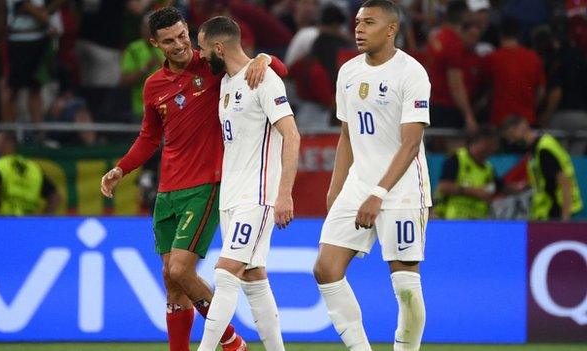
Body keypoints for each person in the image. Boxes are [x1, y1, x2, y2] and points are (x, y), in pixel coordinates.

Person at [99, 7, 287, 351]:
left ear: (188, 30)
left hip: (206, 186)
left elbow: (264, 66)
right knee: (171, 279)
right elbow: (149, 137)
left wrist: (266, 59)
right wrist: (121, 168)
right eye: (169, 41)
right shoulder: (153, 85)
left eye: (183, 35)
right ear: (155, 43)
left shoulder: (212, 64)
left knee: (182, 270)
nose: (180, 44)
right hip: (168, 189)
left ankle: (232, 344)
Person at [313, 1, 432, 351]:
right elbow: (347, 136)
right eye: (357, 22)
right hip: (359, 185)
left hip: (401, 189)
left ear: (391, 29)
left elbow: (411, 144)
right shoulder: (348, 72)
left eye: (369, 22)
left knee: (406, 286)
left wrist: (379, 193)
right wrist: (336, 189)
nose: (359, 29)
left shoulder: (411, 73)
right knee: (325, 269)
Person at [195, 16, 300, 351]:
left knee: (225, 274)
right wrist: (265, 56)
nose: (200, 56)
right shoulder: (227, 83)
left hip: (258, 196)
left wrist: (284, 194)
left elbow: (292, 135)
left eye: (202, 48)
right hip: (231, 196)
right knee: (253, 277)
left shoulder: (263, 79)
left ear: (218, 47)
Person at [502, 116, 583, 221]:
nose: (511, 142)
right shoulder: (534, 150)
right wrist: (524, 187)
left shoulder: (543, 150)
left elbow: (564, 182)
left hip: (556, 211)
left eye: (512, 137)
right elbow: (543, 180)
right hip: (546, 213)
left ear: (521, 128)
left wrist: (564, 219)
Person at [426, 0, 478, 133]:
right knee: (453, 149)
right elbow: (456, 85)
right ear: (465, 16)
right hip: (448, 107)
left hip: (434, 104)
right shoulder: (453, 43)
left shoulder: (438, 37)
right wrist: (468, 115)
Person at [484, 16, 545, 127]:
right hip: (526, 120)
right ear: (519, 34)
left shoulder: (492, 58)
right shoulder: (533, 57)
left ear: (500, 33)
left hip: (500, 120)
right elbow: (541, 91)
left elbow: (487, 90)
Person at [0, 131, 60, 215]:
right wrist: (44, 219)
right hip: (28, 223)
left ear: (7, 144)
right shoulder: (34, 168)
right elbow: (55, 196)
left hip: (5, 221)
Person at [435, 127, 499, 219]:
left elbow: (497, 189)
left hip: (478, 222)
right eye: (492, 145)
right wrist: (474, 191)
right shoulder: (457, 159)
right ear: (482, 142)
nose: (494, 149)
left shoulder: (489, 168)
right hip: (452, 220)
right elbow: (443, 187)